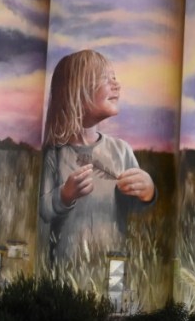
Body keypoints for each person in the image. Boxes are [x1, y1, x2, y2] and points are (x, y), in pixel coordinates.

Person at [39, 49, 155, 267]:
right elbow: (43, 211)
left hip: (115, 263)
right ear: (77, 93)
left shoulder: (121, 150)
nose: (117, 85)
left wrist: (148, 192)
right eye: (106, 78)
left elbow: (134, 208)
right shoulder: (55, 155)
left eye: (115, 77)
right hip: (67, 266)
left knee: (113, 301)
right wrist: (64, 196)